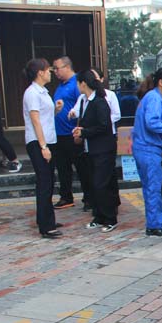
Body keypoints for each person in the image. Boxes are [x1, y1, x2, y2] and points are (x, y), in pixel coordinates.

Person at [72, 70, 118, 233]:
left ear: (83, 83)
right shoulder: (85, 101)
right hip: (91, 149)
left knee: (102, 184)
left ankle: (110, 218)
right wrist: (80, 131)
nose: (77, 86)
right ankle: (99, 216)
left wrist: (84, 132)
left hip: (103, 149)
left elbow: (104, 126)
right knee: (94, 184)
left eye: (78, 83)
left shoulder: (99, 101)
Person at [133, 68, 162, 237]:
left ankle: (153, 223)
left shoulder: (151, 97)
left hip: (145, 148)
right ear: (161, 82)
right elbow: (152, 122)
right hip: (148, 149)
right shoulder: (154, 98)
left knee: (150, 187)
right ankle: (154, 225)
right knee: (154, 188)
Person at [23, 58, 62, 239]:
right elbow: (35, 120)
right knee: (45, 182)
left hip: (48, 140)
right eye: (48, 70)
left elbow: (45, 117)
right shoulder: (32, 93)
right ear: (40, 72)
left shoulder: (43, 92)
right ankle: (46, 226)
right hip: (38, 142)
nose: (50, 73)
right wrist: (43, 146)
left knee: (48, 181)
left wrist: (56, 110)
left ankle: (45, 219)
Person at [52, 56, 91, 210]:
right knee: (63, 168)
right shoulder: (60, 86)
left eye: (57, 68)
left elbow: (83, 107)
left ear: (67, 67)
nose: (55, 72)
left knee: (82, 168)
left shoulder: (77, 83)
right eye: (54, 69)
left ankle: (88, 198)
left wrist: (79, 131)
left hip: (72, 134)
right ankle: (66, 197)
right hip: (59, 134)